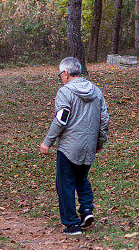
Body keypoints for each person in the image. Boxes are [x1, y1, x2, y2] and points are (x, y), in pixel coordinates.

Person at [39, 57, 109, 235]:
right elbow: (104, 120)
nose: (60, 77)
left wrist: (47, 142)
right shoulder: (96, 91)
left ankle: (72, 224)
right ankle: (86, 210)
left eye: (60, 74)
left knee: (65, 183)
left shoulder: (65, 92)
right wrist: (99, 142)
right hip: (89, 145)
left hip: (69, 147)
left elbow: (61, 119)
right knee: (81, 179)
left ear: (65, 73)